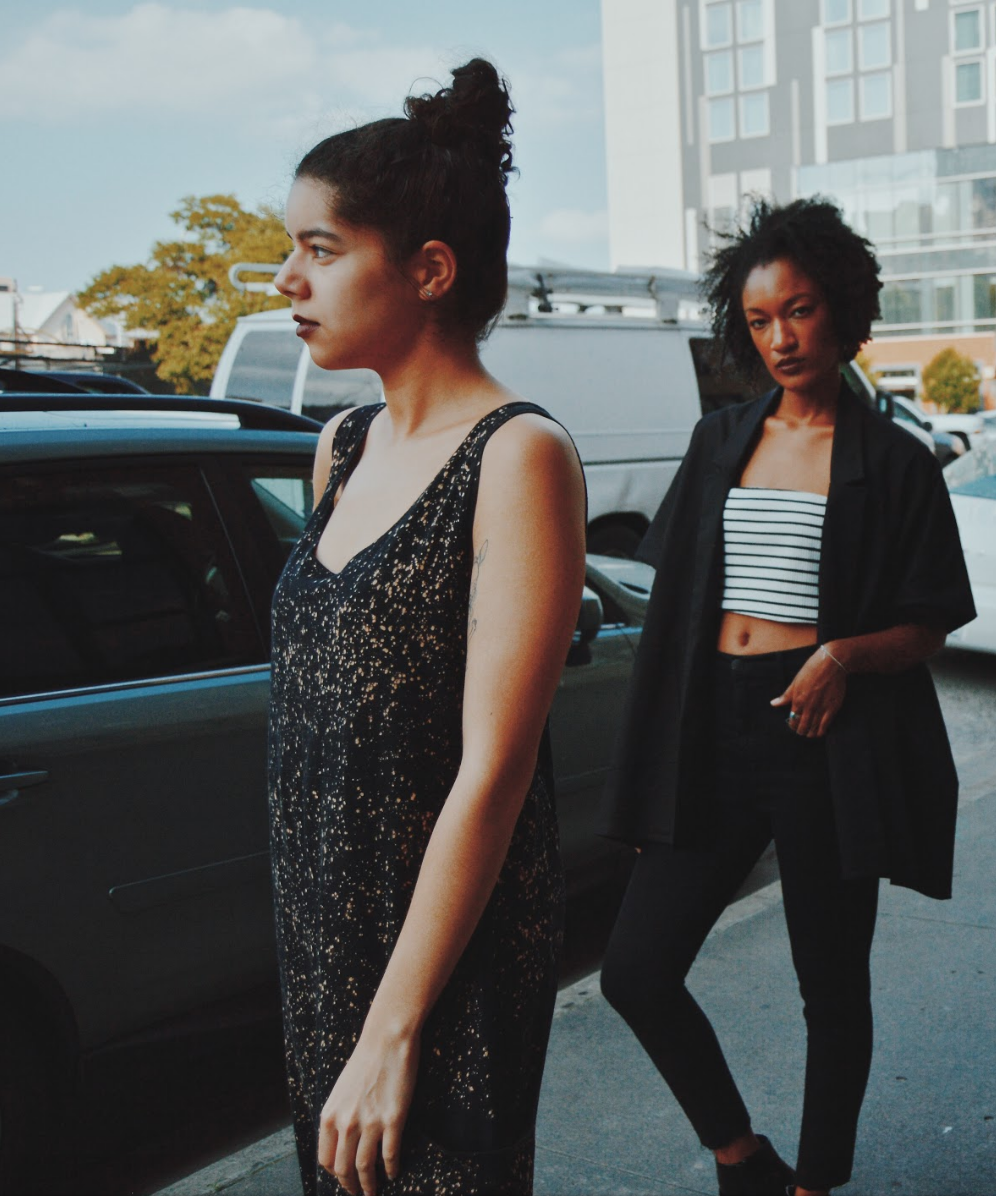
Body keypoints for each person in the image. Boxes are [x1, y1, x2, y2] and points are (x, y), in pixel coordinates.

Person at [595, 197, 976, 1196]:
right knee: (634, 968)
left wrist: (847, 653)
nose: (781, 337)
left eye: (799, 311)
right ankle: (741, 1154)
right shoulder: (720, 439)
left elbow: (934, 615)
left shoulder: (895, 462)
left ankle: (817, 1184)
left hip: (823, 737)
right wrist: (648, 779)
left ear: (845, 311)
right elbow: (671, 616)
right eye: (761, 319)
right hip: (711, 726)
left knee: (830, 985)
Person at [266, 60, 584, 1196]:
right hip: (321, 937)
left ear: (430, 269)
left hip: (442, 964)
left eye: (320, 247)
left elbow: (494, 771)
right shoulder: (340, 447)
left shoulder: (519, 455)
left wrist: (395, 1027)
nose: (287, 275)